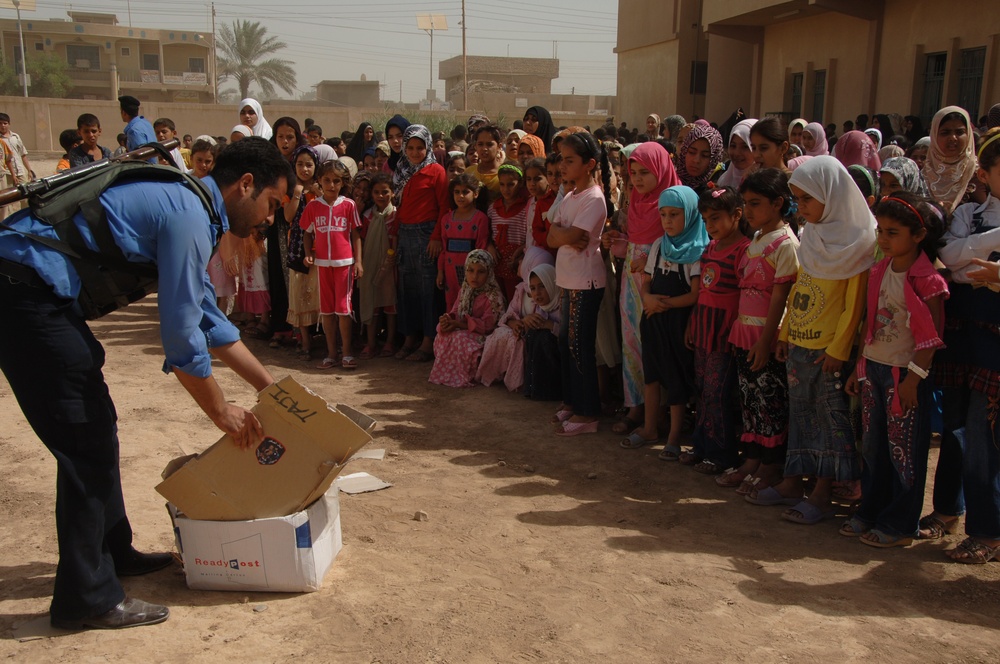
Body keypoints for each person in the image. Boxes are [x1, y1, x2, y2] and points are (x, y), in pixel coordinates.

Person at [0, 137, 291, 629]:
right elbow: (180, 333)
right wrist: (221, 411)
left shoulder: (191, 205)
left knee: (96, 424)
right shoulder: (190, 215)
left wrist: (273, 389)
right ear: (245, 185)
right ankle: (85, 599)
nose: (269, 217)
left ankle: (114, 554)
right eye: (271, 203)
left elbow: (205, 316)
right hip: (22, 290)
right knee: (84, 438)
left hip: (29, 288)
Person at [749, 157, 874, 524]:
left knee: (829, 422)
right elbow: (800, 288)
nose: (799, 208)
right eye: (798, 199)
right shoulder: (815, 237)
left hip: (828, 353)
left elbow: (854, 306)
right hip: (800, 345)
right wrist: (786, 333)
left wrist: (838, 349)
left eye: (806, 200)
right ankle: (792, 482)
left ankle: (821, 493)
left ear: (830, 196)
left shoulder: (859, 242)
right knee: (801, 418)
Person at [843, 193, 948, 548]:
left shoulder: (927, 280)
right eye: (881, 232)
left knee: (903, 451)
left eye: (893, 233)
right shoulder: (878, 271)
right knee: (873, 446)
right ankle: (870, 511)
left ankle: (900, 523)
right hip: (873, 368)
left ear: (918, 236)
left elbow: (931, 338)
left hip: (904, 375)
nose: (884, 240)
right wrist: (859, 368)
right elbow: (867, 324)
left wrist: (914, 381)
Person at [929, 126, 1000, 562]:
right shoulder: (968, 214)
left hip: (994, 345)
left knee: (983, 433)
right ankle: (945, 512)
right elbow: (952, 262)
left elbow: (961, 261)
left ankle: (988, 530)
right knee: (953, 424)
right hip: (961, 335)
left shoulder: (969, 225)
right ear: (986, 174)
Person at [721, 170, 799, 494]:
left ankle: (770, 465)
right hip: (745, 333)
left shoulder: (786, 244)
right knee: (751, 402)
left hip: (764, 337)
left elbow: (780, 299)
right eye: (745, 204)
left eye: (755, 203)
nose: (748, 211)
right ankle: (751, 458)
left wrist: (766, 342)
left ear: (778, 203)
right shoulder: (756, 239)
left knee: (770, 404)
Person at [602, 142, 680, 437]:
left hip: (661, 288)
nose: (637, 178)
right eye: (633, 172)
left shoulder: (673, 202)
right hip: (632, 288)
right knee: (632, 346)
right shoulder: (636, 203)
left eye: (645, 172)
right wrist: (617, 240)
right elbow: (636, 246)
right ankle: (635, 406)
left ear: (661, 169)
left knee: (657, 349)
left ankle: (659, 414)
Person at [629, 186, 706, 457]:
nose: (668, 221)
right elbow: (646, 282)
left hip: (677, 324)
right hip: (653, 320)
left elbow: (695, 294)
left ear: (691, 214)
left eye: (675, 214)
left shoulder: (697, 249)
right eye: (663, 215)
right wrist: (648, 299)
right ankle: (650, 427)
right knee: (652, 376)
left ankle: (673, 437)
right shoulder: (659, 246)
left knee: (676, 379)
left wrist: (663, 304)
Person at [681, 186, 750, 473]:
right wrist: (692, 324)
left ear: (736, 215)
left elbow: (745, 297)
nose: (711, 226)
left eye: (716, 218)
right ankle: (701, 445)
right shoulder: (710, 247)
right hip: (703, 329)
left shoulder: (744, 249)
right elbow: (704, 292)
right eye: (706, 220)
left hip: (724, 333)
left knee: (717, 392)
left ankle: (721, 455)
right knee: (701, 388)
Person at [548, 132, 612, 436]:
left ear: (588, 165)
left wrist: (563, 234)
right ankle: (572, 402)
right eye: (562, 159)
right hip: (568, 279)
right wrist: (564, 235)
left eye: (569, 160)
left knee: (579, 345)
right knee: (566, 342)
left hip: (586, 281)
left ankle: (588, 414)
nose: (563, 165)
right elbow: (552, 236)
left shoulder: (594, 198)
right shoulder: (571, 197)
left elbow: (574, 237)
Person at [393, 124, 449, 362]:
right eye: (411, 147)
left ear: (428, 147)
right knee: (407, 289)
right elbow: (400, 208)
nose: (415, 152)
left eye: (420, 147)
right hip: (405, 234)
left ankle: (428, 341)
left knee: (428, 290)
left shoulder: (436, 171)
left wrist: (436, 237)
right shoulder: (402, 169)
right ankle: (409, 337)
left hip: (427, 234)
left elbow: (444, 207)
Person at [300, 160, 363, 370]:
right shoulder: (313, 206)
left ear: (343, 183)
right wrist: (308, 254)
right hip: (322, 265)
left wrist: (358, 262)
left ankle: (346, 353)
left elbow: (355, 234)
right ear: (319, 181)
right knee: (327, 311)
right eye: (326, 180)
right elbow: (306, 233)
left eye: (336, 181)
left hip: (344, 264)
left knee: (343, 310)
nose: (331, 185)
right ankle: (330, 354)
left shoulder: (349, 205)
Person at [478, 248, 558, 393]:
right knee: (501, 334)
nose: (537, 292)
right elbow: (507, 316)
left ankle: (529, 384)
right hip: (523, 333)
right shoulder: (521, 290)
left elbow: (565, 330)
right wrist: (518, 323)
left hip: (545, 349)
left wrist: (547, 325)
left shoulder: (558, 302)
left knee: (532, 339)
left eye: (542, 286)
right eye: (533, 287)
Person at [428, 249, 505, 387]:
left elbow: (488, 326)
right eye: (470, 270)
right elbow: (456, 311)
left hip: (487, 338)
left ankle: (468, 374)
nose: (474, 276)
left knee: (460, 338)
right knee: (443, 334)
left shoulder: (493, 296)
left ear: (489, 273)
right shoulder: (465, 290)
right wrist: (448, 319)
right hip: (467, 331)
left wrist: (460, 324)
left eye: (481, 272)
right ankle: (450, 373)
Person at [283, 145, 321, 360]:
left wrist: (318, 193)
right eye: (300, 164)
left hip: (321, 249)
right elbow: (288, 217)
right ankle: (305, 341)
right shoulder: (290, 189)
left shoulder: (321, 188)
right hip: (297, 250)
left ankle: (322, 338)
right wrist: (297, 194)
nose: (304, 169)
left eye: (309, 164)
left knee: (318, 294)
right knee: (299, 295)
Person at [435, 173, 490, 310]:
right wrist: (440, 271)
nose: (460, 196)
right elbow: (443, 248)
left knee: (470, 303)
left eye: (465, 192)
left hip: (472, 272)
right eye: (457, 192)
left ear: (475, 194)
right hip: (450, 271)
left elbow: (481, 248)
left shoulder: (480, 219)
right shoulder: (446, 219)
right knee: (452, 303)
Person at [358, 172, 398, 359]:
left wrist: (392, 258)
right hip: (371, 265)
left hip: (391, 267)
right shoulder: (367, 216)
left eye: (385, 192)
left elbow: (397, 240)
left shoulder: (396, 215)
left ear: (393, 193)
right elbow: (363, 240)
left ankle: (389, 342)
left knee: (390, 304)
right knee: (371, 303)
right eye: (376, 192)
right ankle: (371, 343)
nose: (381, 196)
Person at [923, 106, 977, 215]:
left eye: (959, 132)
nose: (953, 137)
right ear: (934, 135)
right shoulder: (922, 175)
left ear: (969, 134)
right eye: (945, 132)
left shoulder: (981, 175)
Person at [488, 162, 530, 300]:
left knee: (516, 300)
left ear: (520, 183)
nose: (506, 189)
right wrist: (490, 246)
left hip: (517, 264)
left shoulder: (526, 207)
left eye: (511, 184)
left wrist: (521, 253)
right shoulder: (493, 208)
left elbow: (530, 237)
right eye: (502, 184)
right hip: (497, 264)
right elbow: (486, 233)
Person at [675, 123, 724, 194]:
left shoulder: (713, 195)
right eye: (692, 152)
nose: (696, 160)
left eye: (705, 155)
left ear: (713, 160)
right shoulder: (668, 182)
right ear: (684, 151)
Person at [717, 118, 757, 189]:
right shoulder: (722, 181)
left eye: (745, 147)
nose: (737, 153)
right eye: (733, 146)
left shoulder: (766, 184)